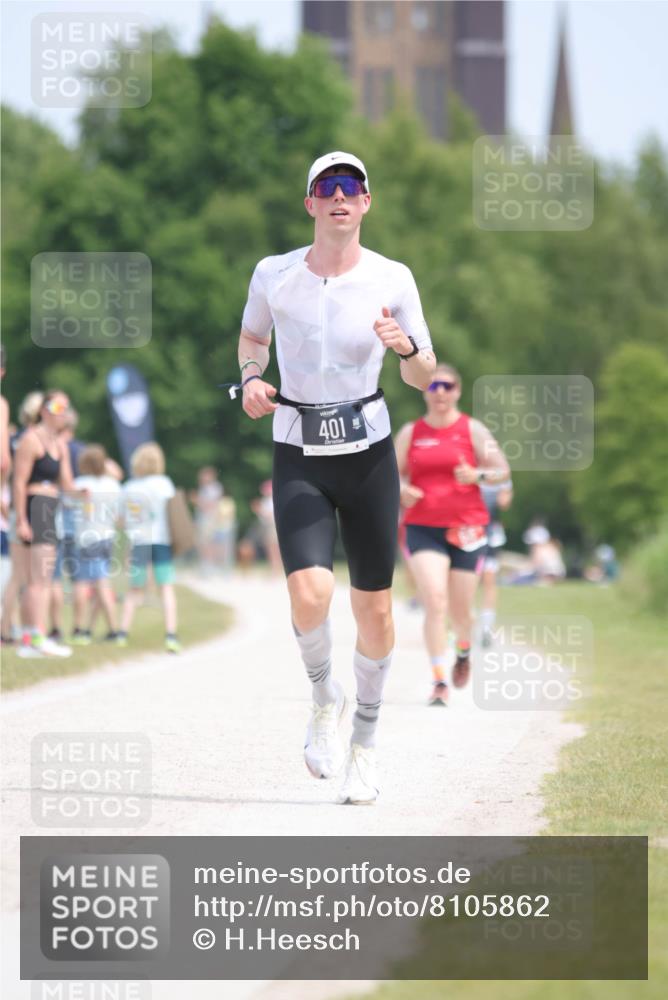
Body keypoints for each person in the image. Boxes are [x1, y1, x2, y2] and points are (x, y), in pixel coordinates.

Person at [238, 150, 435, 804]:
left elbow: (424, 373)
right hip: (298, 445)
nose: (340, 197)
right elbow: (251, 339)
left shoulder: (392, 278)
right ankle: (326, 698)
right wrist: (250, 379)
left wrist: (405, 347)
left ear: (367, 202)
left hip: (368, 453)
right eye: (328, 187)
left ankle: (366, 745)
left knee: (374, 608)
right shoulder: (274, 274)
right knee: (310, 592)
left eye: (352, 187)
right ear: (311, 204)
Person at [394, 364, 510, 706]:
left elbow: (502, 471)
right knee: (434, 600)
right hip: (422, 527)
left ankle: (463, 650)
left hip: (467, 528)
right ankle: (439, 680)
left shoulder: (472, 429)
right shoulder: (411, 432)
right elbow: (390, 474)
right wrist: (401, 489)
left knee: (461, 612)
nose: (440, 392)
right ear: (425, 392)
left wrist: (477, 475)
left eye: (447, 386)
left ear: (457, 391)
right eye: (433, 386)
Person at [12, 390, 81, 658]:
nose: (63, 412)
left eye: (66, 407)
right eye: (57, 407)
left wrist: (84, 492)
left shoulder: (59, 444)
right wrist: (22, 519)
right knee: (37, 579)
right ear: (44, 410)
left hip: (51, 507)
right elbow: (19, 482)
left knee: (41, 578)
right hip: (36, 506)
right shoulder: (31, 439)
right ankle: (35, 637)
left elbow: (67, 483)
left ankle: (31, 639)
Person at [117, 442, 180, 653]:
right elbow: (174, 511)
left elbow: (122, 520)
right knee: (166, 587)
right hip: (161, 540)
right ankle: (171, 635)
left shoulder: (129, 487)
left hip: (139, 541)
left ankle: (123, 633)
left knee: (134, 589)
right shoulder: (164, 484)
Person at [68, 444, 121, 643]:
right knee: (101, 582)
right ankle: (98, 628)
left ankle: (81, 629)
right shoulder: (113, 485)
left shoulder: (80, 483)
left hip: (87, 538)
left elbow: (68, 503)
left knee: (84, 583)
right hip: (108, 537)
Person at [479, 478, 514, 647]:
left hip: (491, 534)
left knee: (489, 581)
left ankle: (487, 627)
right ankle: (454, 627)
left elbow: (504, 503)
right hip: (466, 531)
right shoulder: (465, 467)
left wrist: (503, 490)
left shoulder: (501, 474)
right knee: (461, 582)